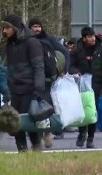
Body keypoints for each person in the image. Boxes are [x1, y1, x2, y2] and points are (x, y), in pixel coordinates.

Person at [1, 15, 45, 152]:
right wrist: (6, 88)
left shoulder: (32, 43)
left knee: (30, 122)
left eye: (7, 27)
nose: (4, 31)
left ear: (15, 28)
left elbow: (38, 66)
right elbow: (8, 67)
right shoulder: (9, 44)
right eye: (3, 28)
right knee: (15, 122)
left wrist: (38, 88)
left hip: (29, 89)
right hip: (14, 89)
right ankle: (22, 150)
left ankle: (37, 148)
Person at [28, 18, 70, 148]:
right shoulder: (26, 41)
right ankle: (37, 136)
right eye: (34, 26)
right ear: (29, 28)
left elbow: (64, 52)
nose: (36, 29)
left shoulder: (50, 40)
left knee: (46, 107)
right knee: (34, 108)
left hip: (47, 80)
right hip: (31, 80)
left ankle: (47, 133)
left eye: (38, 26)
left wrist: (65, 69)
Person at [69, 26, 102, 148]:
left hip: (96, 85)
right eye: (89, 37)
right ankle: (82, 133)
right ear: (84, 38)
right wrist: (76, 71)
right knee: (82, 110)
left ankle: (90, 138)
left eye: (93, 36)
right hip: (81, 86)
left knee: (92, 111)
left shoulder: (101, 49)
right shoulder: (77, 51)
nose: (93, 38)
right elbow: (70, 66)